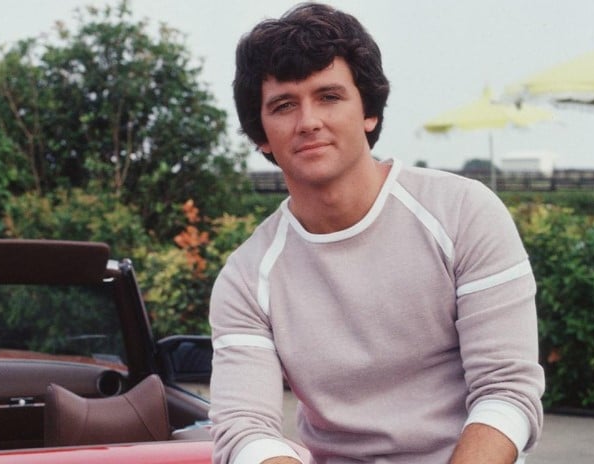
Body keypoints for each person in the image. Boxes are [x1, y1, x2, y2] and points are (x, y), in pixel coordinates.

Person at [208, 3, 545, 464]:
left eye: (329, 96)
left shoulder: (464, 212)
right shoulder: (247, 277)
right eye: (284, 105)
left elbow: (507, 390)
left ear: (368, 111)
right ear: (261, 134)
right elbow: (245, 430)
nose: (308, 121)